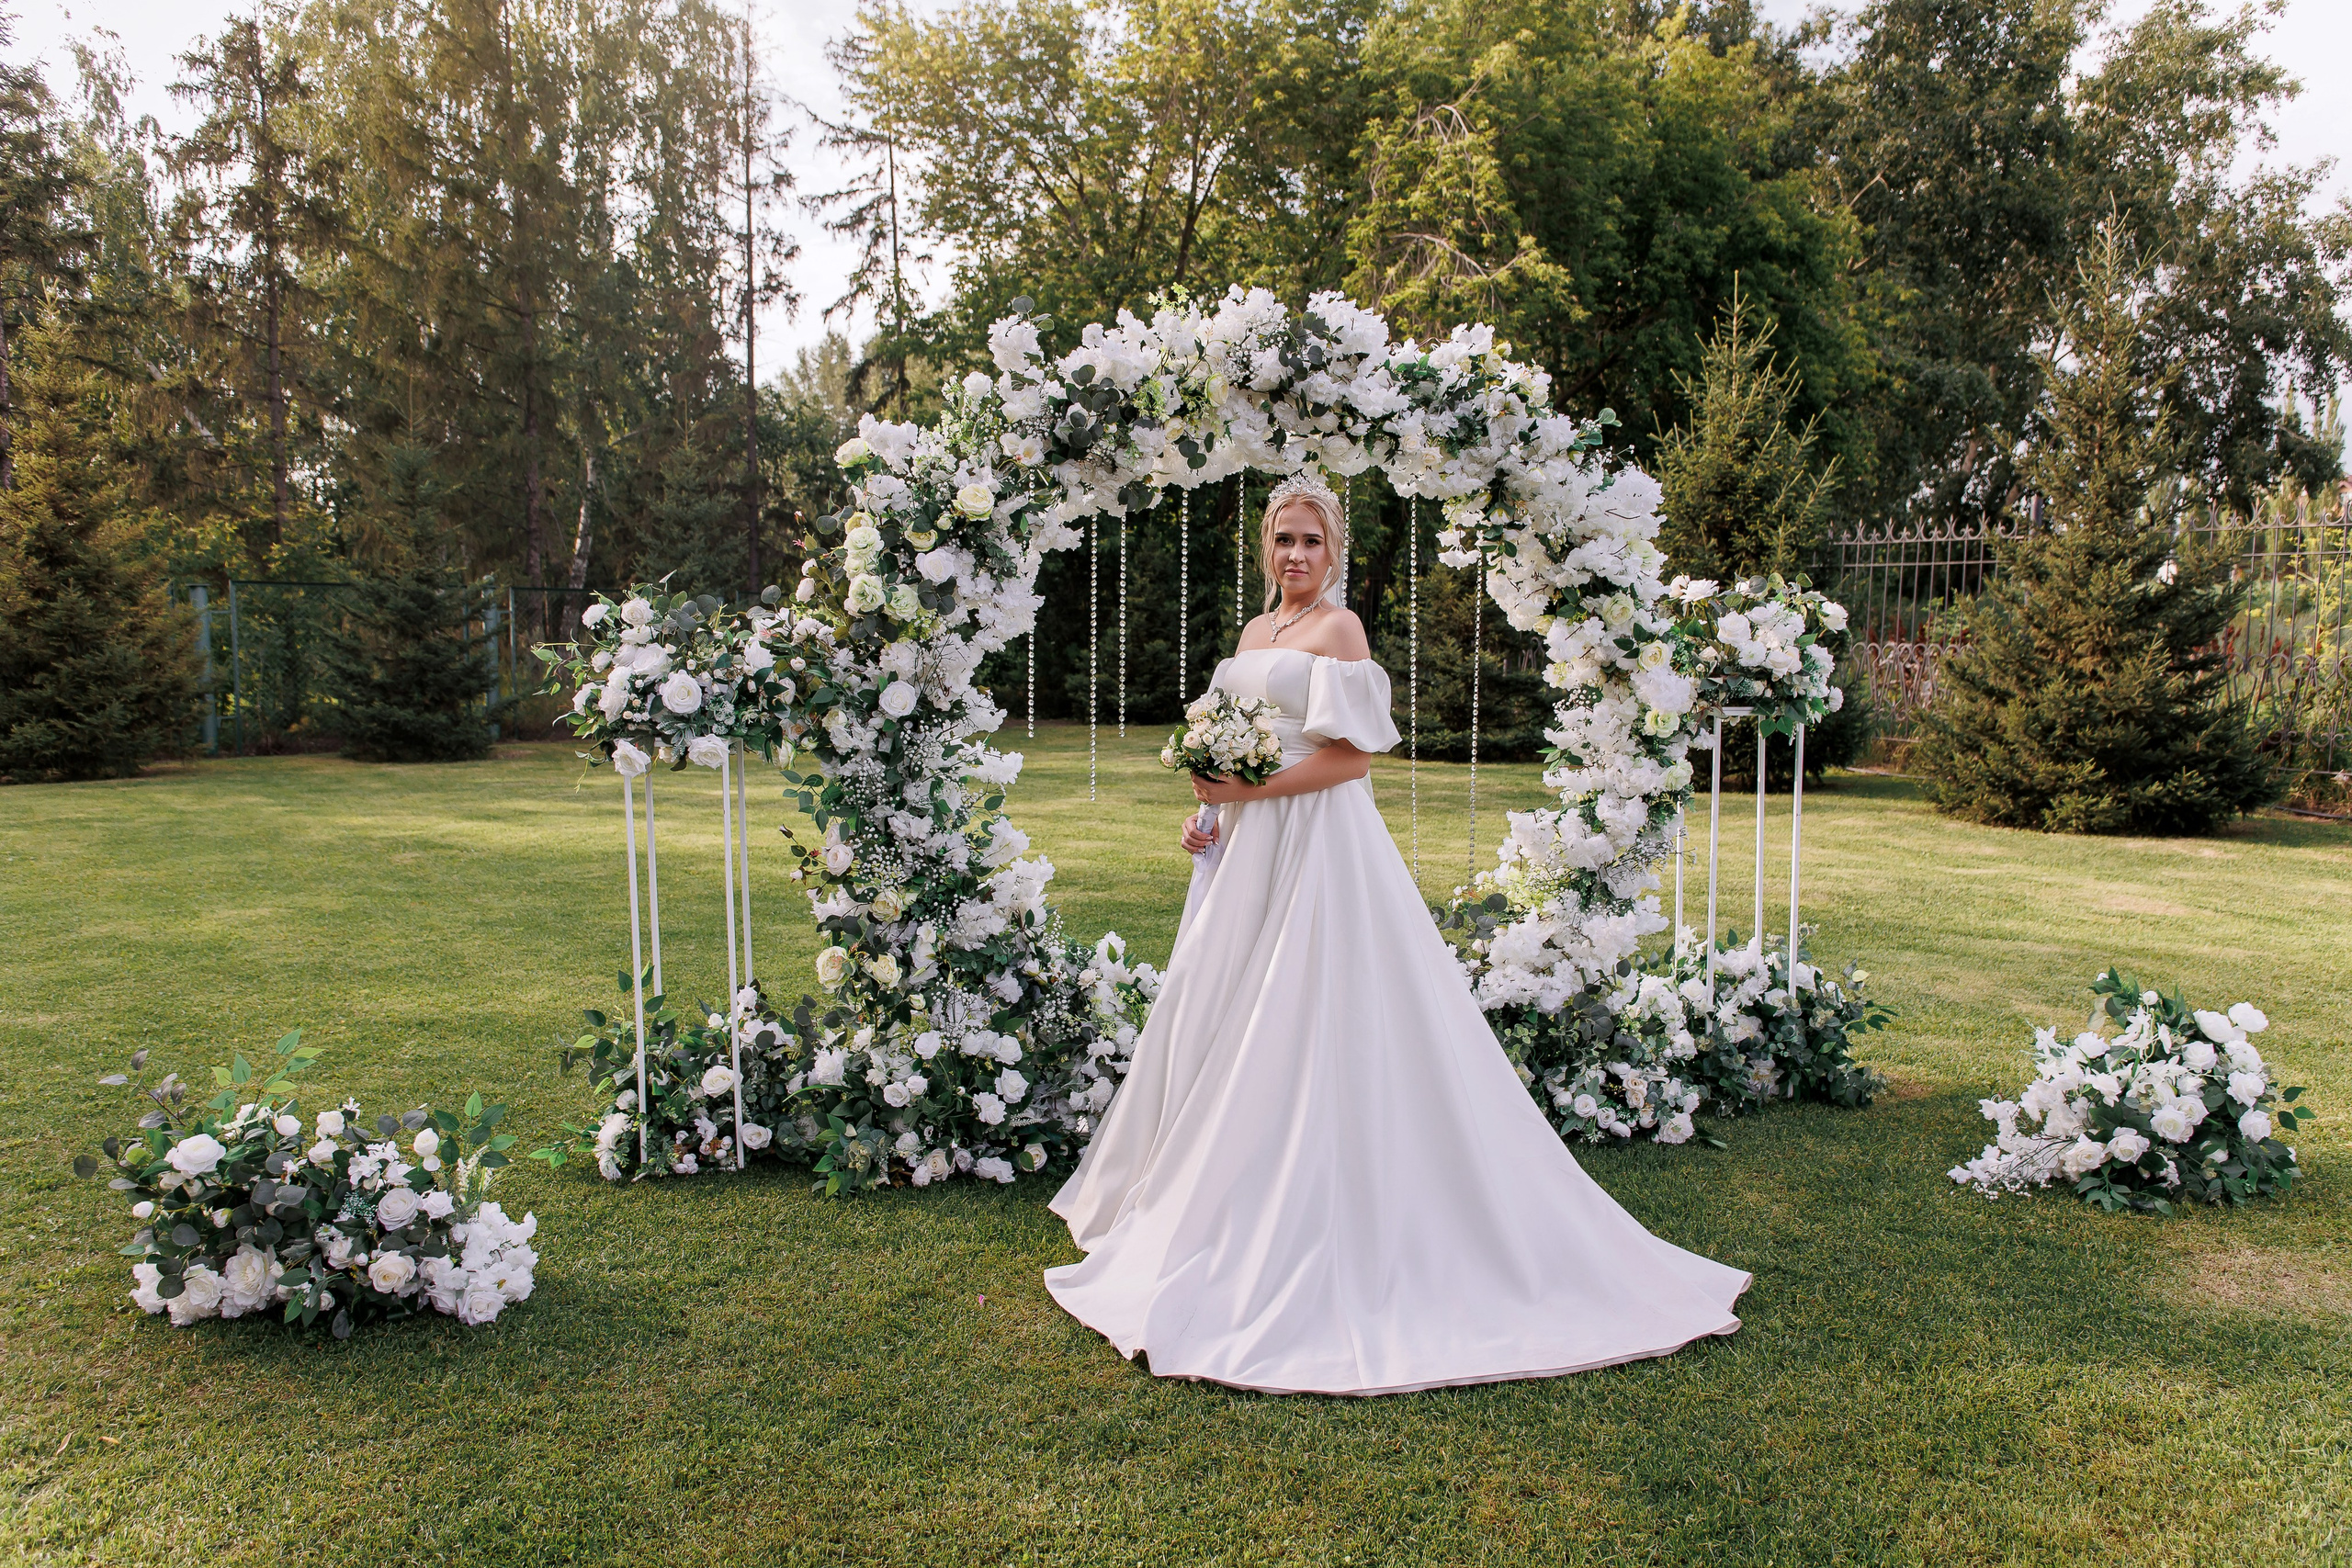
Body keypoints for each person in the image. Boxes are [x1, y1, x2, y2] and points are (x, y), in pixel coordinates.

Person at [1044, 470, 1750, 1396]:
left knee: (1305, 1008)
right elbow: (1225, 754)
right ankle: (1206, 1190)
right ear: (1267, 547)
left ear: (1334, 553)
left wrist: (1247, 790)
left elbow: (1348, 758)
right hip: (1248, 847)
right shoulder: (1257, 634)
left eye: (1311, 542)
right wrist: (1209, 814)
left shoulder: (1339, 632)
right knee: (1225, 1005)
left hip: (1320, 847)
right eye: (1283, 540)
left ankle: (1320, 1197)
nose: (1295, 556)